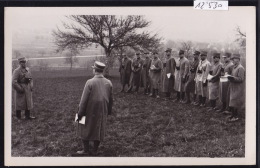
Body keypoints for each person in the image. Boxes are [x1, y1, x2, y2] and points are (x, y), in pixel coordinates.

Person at [76, 61, 113, 155]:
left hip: (89, 110)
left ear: (95, 70)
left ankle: (85, 150)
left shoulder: (90, 82)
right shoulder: (108, 82)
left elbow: (83, 100)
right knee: (99, 128)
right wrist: (108, 111)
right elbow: (111, 99)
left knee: (83, 126)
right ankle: (95, 150)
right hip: (102, 110)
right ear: (102, 71)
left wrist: (80, 113)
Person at [227, 54, 245, 122]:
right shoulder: (234, 67)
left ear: (238, 59)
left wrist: (232, 78)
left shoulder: (240, 68)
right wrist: (229, 77)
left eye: (234, 59)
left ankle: (235, 116)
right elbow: (232, 76)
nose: (233, 61)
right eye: (232, 59)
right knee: (232, 101)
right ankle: (233, 115)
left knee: (235, 101)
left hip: (238, 88)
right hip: (233, 86)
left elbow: (241, 79)